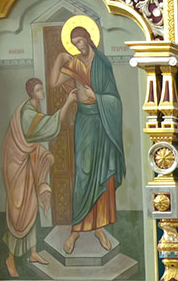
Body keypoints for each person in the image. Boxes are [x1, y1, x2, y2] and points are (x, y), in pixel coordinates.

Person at [51, 24, 126, 255]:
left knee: (103, 175)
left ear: (88, 39)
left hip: (102, 123)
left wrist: (98, 96)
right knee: (84, 174)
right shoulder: (73, 63)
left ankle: (99, 228)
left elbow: (115, 100)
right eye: (73, 44)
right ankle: (76, 230)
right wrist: (60, 58)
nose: (77, 46)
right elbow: (54, 82)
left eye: (79, 42)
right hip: (84, 122)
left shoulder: (102, 64)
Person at [1, 78, 76, 277]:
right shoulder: (27, 113)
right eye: (37, 89)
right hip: (16, 166)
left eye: (42, 87)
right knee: (19, 211)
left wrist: (42, 154)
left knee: (31, 207)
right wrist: (67, 104)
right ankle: (10, 257)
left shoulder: (34, 108)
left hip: (26, 162)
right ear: (31, 93)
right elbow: (43, 129)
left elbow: (32, 140)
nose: (41, 91)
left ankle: (33, 252)